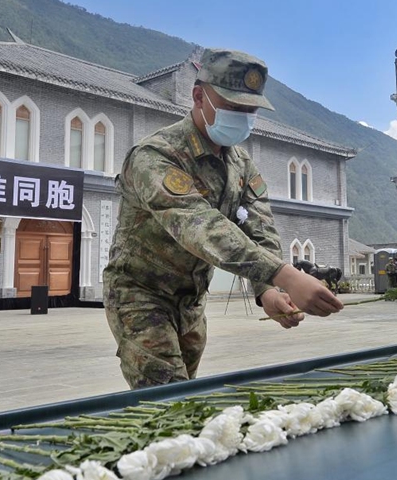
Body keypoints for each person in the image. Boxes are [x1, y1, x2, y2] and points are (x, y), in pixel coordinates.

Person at [103, 48, 344, 389]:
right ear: (199, 96)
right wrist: (286, 275)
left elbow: (259, 228)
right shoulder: (156, 156)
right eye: (233, 107)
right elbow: (199, 225)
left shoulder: (240, 165)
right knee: (167, 399)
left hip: (191, 301)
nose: (243, 117)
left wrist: (268, 291)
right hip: (141, 295)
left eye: (251, 110)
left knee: (188, 394)